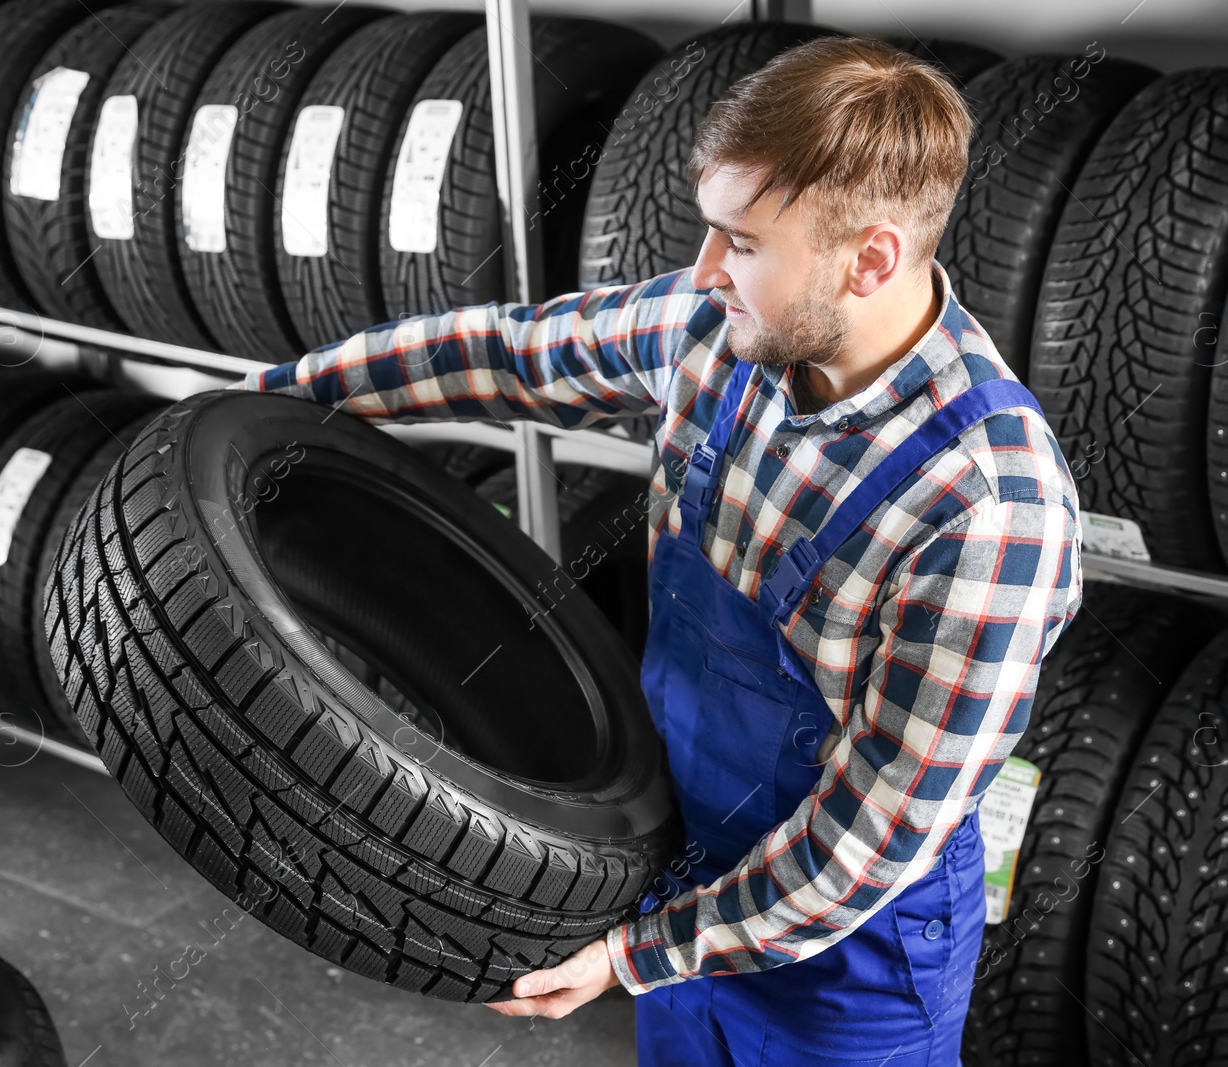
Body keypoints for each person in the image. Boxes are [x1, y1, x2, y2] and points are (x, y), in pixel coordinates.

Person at [234, 35, 1082, 1067]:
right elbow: (509, 356)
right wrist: (268, 406)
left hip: (849, 962)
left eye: (743, 241)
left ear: (869, 259)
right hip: (682, 856)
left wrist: (636, 953)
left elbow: (863, 847)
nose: (705, 269)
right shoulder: (717, 326)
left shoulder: (986, 509)